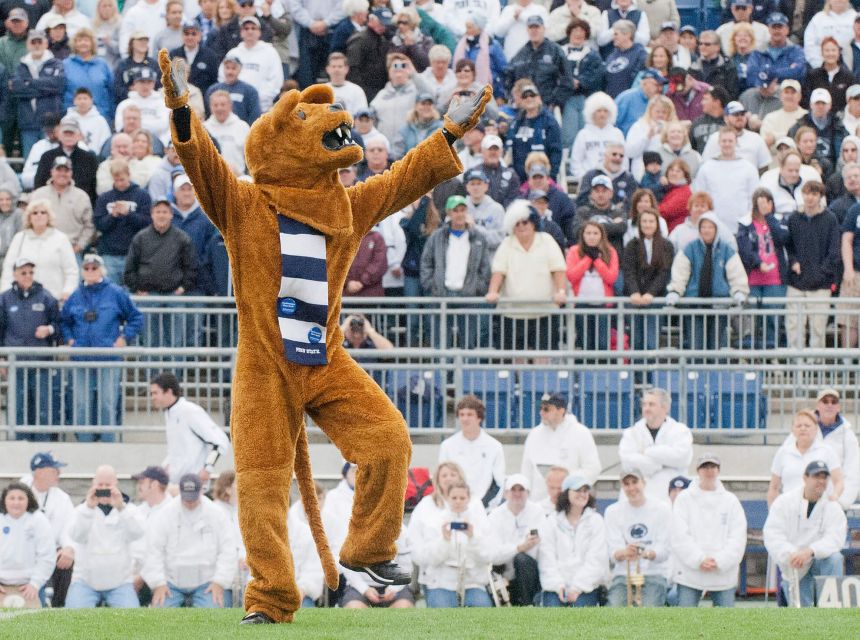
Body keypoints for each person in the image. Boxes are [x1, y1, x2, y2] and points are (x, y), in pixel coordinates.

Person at [61, 254, 144, 440]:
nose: (90, 271)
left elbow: (136, 317)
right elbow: (64, 321)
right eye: (87, 268)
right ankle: (84, 441)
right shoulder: (75, 296)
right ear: (82, 271)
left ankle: (108, 441)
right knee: (81, 403)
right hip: (81, 357)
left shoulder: (116, 292)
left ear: (101, 270)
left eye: (94, 268)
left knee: (107, 402)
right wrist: (69, 340)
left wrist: (124, 338)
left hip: (108, 357)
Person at [144, 473, 237, 608]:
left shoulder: (216, 514)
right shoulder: (165, 514)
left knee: (214, 614)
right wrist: (158, 583)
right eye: (186, 498)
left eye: (193, 497)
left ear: (201, 491)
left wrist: (219, 582)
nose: (190, 502)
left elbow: (228, 550)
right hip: (171, 582)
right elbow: (153, 551)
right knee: (160, 614)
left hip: (207, 582)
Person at [764, 460, 848, 607]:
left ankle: (833, 610)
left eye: (824, 477)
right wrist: (792, 553)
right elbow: (773, 534)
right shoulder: (784, 502)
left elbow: (836, 538)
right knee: (801, 617)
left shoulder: (833, 506)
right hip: (794, 564)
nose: (821, 481)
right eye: (816, 476)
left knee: (834, 559)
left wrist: (810, 551)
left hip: (818, 560)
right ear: (805, 478)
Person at [485, 200, 567, 351]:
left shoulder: (547, 240)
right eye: (517, 224)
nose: (521, 226)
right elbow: (498, 272)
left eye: (525, 222)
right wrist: (493, 292)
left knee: (544, 356)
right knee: (513, 358)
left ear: (533, 223)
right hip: (512, 313)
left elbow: (558, 270)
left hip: (545, 311)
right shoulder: (507, 243)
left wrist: (561, 292)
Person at [671, 453, 747, 607]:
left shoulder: (731, 501)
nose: (709, 471)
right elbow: (679, 535)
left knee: (725, 626)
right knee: (684, 623)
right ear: (698, 471)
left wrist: (720, 560)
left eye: (713, 467)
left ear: (718, 470)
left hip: (722, 575)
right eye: (705, 467)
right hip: (690, 573)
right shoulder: (684, 499)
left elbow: (737, 537)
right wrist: (698, 559)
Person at [64, 465, 145, 608]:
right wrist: (88, 509)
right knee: (73, 619)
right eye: (100, 485)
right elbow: (76, 536)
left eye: (108, 485)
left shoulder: (130, 510)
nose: (104, 489)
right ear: (93, 485)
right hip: (85, 582)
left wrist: (121, 508)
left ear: (116, 485)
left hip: (120, 583)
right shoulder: (81, 511)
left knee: (132, 620)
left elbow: (137, 533)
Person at [0, 257, 61, 438]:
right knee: (17, 408)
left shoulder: (46, 297)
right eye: (23, 272)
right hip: (15, 365)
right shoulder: (4, 299)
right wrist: (1, 358)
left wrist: (48, 329)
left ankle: (43, 445)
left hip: (40, 364)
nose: (27, 276)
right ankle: (18, 446)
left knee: (42, 408)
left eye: (30, 272)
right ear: (15, 274)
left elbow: (60, 327)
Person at [410, 480, 493, 608]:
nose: (458, 501)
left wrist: (472, 537)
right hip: (441, 582)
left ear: (469, 499)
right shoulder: (436, 521)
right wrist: (444, 540)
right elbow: (430, 559)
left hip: (472, 582)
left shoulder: (478, 520)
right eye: (454, 497)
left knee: (482, 610)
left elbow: (487, 556)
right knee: (444, 614)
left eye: (462, 498)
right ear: (447, 499)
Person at [785, 180, 840, 351]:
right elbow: (789, 246)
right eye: (807, 193)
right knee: (794, 326)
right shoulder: (793, 218)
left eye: (814, 194)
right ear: (802, 194)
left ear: (820, 197)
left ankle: (815, 366)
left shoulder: (830, 219)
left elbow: (834, 251)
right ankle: (796, 366)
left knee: (818, 327)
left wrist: (821, 272)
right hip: (796, 282)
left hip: (821, 284)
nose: (810, 197)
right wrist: (793, 262)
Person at [537, 475, 607, 607]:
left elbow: (597, 560)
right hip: (556, 588)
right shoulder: (551, 521)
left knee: (578, 622)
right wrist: (558, 586)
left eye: (585, 491)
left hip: (586, 587)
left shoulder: (596, 521)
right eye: (577, 490)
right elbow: (547, 559)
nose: (582, 494)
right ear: (566, 493)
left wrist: (577, 587)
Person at [150, 371, 232, 485]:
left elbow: (220, 441)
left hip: (193, 485)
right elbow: (178, 450)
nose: (152, 397)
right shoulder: (169, 413)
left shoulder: (190, 411)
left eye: (155, 393)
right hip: (175, 484)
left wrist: (207, 469)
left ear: (168, 392)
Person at [604, 470, 671, 607]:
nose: (631, 488)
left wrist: (647, 554)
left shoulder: (662, 509)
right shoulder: (613, 511)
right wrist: (624, 552)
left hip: (654, 574)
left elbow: (664, 550)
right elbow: (612, 552)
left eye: (635, 482)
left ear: (644, 483)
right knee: (614, 608)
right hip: (623, 575)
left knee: (649, 609)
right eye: (626, 484)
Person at [520, 392, 600, 503]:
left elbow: (593, 469)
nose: (541, 413)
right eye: (541, 408)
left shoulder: (581, 433)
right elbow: (526, 471)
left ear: (561, 410)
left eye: (547, 409)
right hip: (539, 505)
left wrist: (566, 480)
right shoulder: (534, 435)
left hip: (570, 504)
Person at [618, 388, 693, 504]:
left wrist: (647, 451)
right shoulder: (631, 433)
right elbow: (627, 462)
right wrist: (660, 464)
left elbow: (681, 458)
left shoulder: (680, 431)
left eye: (652, 404)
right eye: (644, 404)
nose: (646, 408)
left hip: (670, 499)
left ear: (665, 408)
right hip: (638, 500)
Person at [736, 187, 788, 349]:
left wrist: (769, 217)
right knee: (752, 320)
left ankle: (771, 353)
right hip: (753, 279)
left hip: (775, 279)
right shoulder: (745, 224)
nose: (764, 206)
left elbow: (782, 238)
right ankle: (752, 356)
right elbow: (744, 249)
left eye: (767, 202)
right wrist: (758, 263)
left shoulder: (780, 221)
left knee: (772, 319)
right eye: (760, 204)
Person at [20, 452, 75, 607]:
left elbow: (69, 529)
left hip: (51, 551)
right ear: (40, 472)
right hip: (24, 551)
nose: (59, 474)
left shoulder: (62, 498)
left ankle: (58, 606)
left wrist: (68, 548)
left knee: (67, 560)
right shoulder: (18, 493)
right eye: (54, 470)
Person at [0, 199, 78, 301]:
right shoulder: (19, 238)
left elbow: (71, 270)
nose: (39, 215)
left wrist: (68, 291)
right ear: (29, 217)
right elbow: (9, 268)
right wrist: (5, 293)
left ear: (49, 216)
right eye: (35, 213)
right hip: (24, 300)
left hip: (54, 299)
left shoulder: (61, 238)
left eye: (43, 212)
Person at [486, 474, 544, 607]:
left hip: (530, 572)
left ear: (528, 493)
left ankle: (527, 605)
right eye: (513, 490)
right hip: (503, 571)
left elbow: (538, 549)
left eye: (521, 490)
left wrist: (518, 550)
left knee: (522, 559)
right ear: (506, 493)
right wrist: (519, 547)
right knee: (519, 556)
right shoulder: (495, 516)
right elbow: (494, 555)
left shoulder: (537, 511)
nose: (517, 493)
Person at [438, 395, 505, 507]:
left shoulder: (495, 446)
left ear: (479, 418)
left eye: (470, 415)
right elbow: (441, 480)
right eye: (462, 415)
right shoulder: (447, 446)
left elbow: (499, 482)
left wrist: (481, 506)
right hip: (453, 507)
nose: (465, 419)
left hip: (485, 509)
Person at [93, 158, 152, 285]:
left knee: (132, 295)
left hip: (134, 254)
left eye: (122, 179)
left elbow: (147, 223)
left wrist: (129, 214)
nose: (119, 183)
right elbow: (98, 224)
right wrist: (112, 216)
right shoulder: (104, 198)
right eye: (116, 180)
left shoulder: (142, 196)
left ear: (129, 175)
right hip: (110, 254)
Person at [768, 409, 844, 505]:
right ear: (793, 430)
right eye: (799, 426)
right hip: (789, 509)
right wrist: (773, 512)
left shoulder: (827, 451)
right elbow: (773, 488)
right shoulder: (783, 452)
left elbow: (839, 481)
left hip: (820, 507)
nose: (803, 428)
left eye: (807, 426)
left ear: (816, 429)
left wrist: (835, 496)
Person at [124, 198, 197, 298]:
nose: (161, 215)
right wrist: (136, 288)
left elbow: (191, 266)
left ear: (171, 215)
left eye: (165, 212)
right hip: (147, 295)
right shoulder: (140, 237)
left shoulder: (182, 238)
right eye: (158, 212)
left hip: (174, 295)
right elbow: (130, 267)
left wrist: (183, 287)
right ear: (152, 215)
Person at [692, 127, 759, 234]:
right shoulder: (707, 168)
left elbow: (754, 198)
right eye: (724, 141)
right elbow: (700, 196)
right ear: (719, 142)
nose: (727, 144)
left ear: (736, 142)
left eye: (730, 141)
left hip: (741, 227)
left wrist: (749, 222)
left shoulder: (749, 168)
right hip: (714, 227)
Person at [623, 209, 673, 350]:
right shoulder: (632, 245)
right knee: (636, 342)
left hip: (655, 299)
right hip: (634, 299)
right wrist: (634, 292)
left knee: (651, 343)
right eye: (644, 221)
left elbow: (664, 272)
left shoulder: (666, 246)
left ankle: (650, 372)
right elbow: (629, 270)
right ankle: (637, 373)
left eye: (651, 221)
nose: (647, 225)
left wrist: (651, 293)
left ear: (657, 224)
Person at [10, 28, 64, 159]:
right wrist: (43, 88)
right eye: (33, 42)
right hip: (28, 122)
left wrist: (30, 83)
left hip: (50, 123)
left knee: (52, 160)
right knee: (31, 160)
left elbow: (57, 85)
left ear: (46, 43)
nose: (37, 45)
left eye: (40, 41)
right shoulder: (21, 66)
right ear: (28, 45)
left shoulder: (56, 63)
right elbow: (17, 89)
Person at [0, 482, 54, 609]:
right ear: (4, 500)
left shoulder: (39, 520)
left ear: (28, 500)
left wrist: (35, 583)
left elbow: (47, 556)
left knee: (32, 626)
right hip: (2, 585)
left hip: (30, 585)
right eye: (12, 498)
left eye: (21, 498)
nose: (16, 502)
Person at [566, 219, 618, 351]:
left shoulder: (610, 251)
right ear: (582, 235)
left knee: (602, 343)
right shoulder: (574, 251)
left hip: (603, 304)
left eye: (595, 233)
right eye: (588, 233)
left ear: (601, 235)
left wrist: (598, 261)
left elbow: (611, 278)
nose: (591, 236)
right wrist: (588, 258)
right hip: (581, 303)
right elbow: (571, 276)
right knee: (585, 342)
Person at [30, 154, 93, 256]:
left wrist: (78, 247)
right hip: (42, 249)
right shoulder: (38, 195)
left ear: (71, 173)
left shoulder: (81, 196)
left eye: (66, 170)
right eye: (59, 170)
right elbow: (28, 222)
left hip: (72, 251)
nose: (62, 174)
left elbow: (89, 226)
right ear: (52, 172)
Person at [220, 15, 283, 112]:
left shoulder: (270, 52)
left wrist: (257, 99)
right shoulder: (233, 53)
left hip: (262, 107)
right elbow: (222, 77)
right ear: (241, 32)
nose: (250, 31)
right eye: (246, 28)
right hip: (234, 108)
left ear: (259, 32)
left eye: (253, 28)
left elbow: (276, 81)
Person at [129, 465, 171, 606]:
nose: (138, 487)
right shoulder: (138, 511)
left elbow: (167, 554)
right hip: (136, 573)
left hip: (164, 576)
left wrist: (142, 577)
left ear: (154, 484)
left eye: (142, 483)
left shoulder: (172, 511)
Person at [814, 388, 860, 509]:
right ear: (818, 405)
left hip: (835, 504)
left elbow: (854, 471)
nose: (829, 405)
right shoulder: (805, 427)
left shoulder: (848, 436)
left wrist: (842, 502)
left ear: (838, 407)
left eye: (833, 402)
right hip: (806, 502)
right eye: (825, 401)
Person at [506, 83, 562, 182]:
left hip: (542, 179)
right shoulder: (516, 122)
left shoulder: (550, 122)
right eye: (525, 96)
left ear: (539, 98)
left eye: (532, 95)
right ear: (521, 101)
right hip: (519, 181)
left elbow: (556, 152)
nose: (529, 98)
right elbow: (509, 150)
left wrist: (551, 177)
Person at [33, 117, 98, 202]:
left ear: (79, 136)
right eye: (65, 133)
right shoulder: (47, 157)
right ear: (59, 135)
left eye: (71, 134)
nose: (68, 137)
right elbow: (39, 184)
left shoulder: (89, 158)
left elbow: (93, 187)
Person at [569, 91, 623, 184]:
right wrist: (585, 179)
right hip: (588, 182)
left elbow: (623, 160)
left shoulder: (617, 134)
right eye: (599, 111)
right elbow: (576, 162)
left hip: (613, 182)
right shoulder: (583, 134)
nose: (602, 114)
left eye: (605, 111)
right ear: (592, 112)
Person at [204, 89, 250, 174]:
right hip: (211, 177)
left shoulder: (242, 126)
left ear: (230, 106)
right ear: (210, 107)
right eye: (215, 105)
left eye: (223, 105)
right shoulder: (204, 128)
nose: (219, 108)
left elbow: (250, 156)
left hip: (238, 178)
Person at [688, 30, 738, 99]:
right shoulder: (693, 67)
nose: (703, 46)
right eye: (700, 43)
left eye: (707, 44)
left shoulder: (728, 67)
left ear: (717, 47)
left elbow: (733, 94)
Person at [759, 79, 806, 150]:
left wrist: (775, 137)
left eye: (793, 92)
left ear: (799, 96)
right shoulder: (770, 118)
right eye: (786, 92)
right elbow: (765, 143)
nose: (789, 96)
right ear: (781, 96)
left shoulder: (806, 116)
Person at [64, 87, 110, 152]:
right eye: (79, 99)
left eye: (85, 98)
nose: (82, 102)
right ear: (74, 101)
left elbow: (106, 141)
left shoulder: (100, 121)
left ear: (91, 100)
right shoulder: (67, 120)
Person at [689, 86, 729, 153]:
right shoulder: (697, 123)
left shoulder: (730, 122)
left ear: (717, 102)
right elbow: (692, 149)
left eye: (705, 99)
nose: (702, 103)